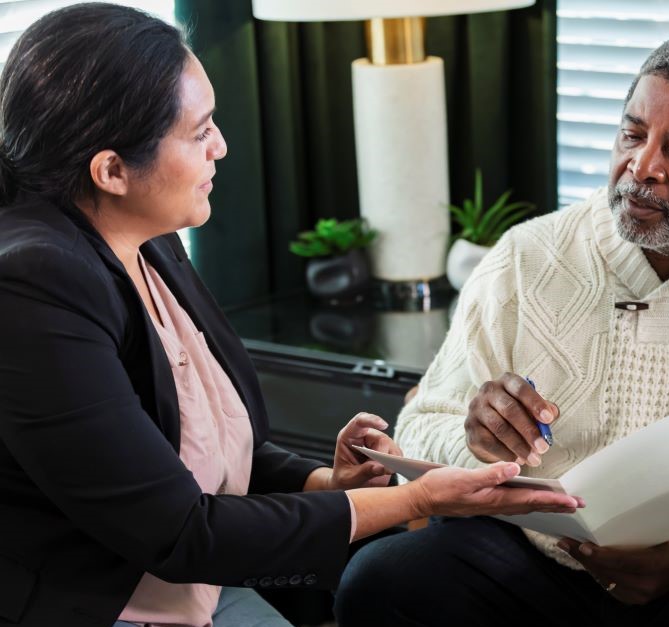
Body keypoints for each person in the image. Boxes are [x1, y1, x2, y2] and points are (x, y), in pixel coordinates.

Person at [0, 4, 581, 626]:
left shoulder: (146, 233)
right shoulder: (33, 286)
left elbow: (187, 451)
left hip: (198, 593)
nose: (221, 146)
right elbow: (180, 532)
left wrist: (325, 486)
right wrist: (415, 499)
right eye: (199, 133)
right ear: (112, 170)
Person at [335, 31, 669, 627]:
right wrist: (477, 444)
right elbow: (421, 425)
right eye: (633, 134)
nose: (642, 169)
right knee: (383, 579)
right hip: (539, 559)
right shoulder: (528, 255)